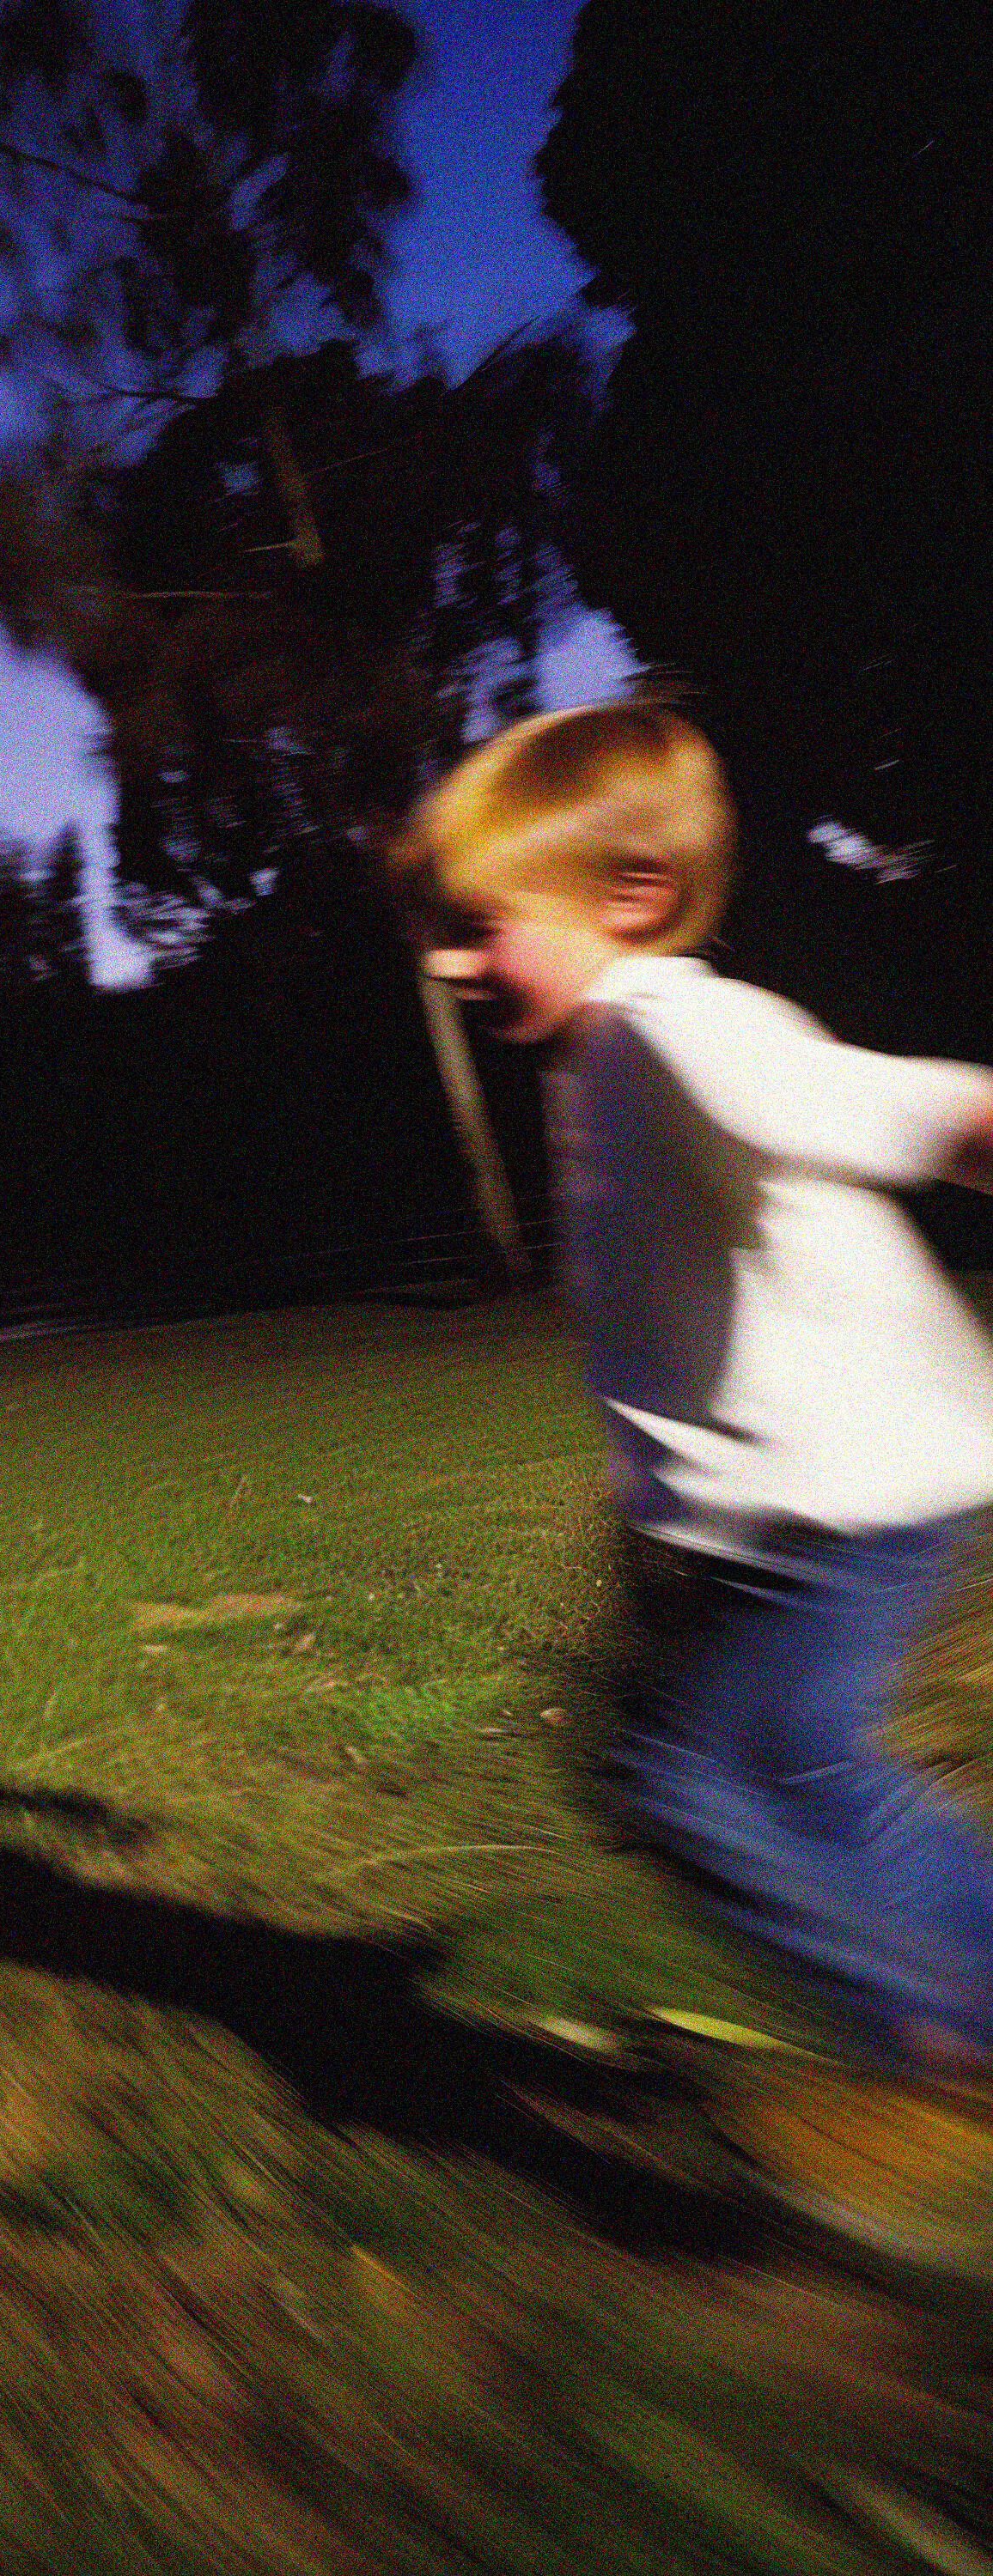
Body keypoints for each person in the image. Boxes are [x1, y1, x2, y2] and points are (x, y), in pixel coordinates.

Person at [396, 701, 993, 2258]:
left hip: (849, 1508)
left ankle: (941, 2060)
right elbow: (671, 1332)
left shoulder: (680, 1032)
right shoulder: (600, 1051)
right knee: (812, 1771)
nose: (452, 964)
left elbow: (920, 1110)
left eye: (482, 926)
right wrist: (649, 1523)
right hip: (838, 1500)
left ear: (634, 896)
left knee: (676, 1779)